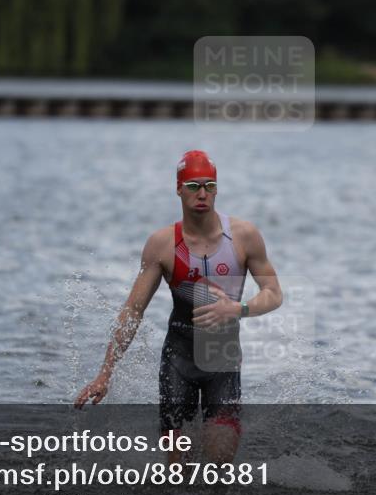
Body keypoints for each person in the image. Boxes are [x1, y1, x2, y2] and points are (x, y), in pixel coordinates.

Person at [74, 150, 282, 464]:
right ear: (178, 189)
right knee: (179, 471)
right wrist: (105, 373)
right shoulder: (162, 245)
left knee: (219, 463)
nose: (202, 194)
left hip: (222, 361)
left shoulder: (244, 237)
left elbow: (273, 293)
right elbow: (133, 311)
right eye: (194, 186)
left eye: (209, 186)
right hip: (178, 361)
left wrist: (238, 309)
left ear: (217, 188)